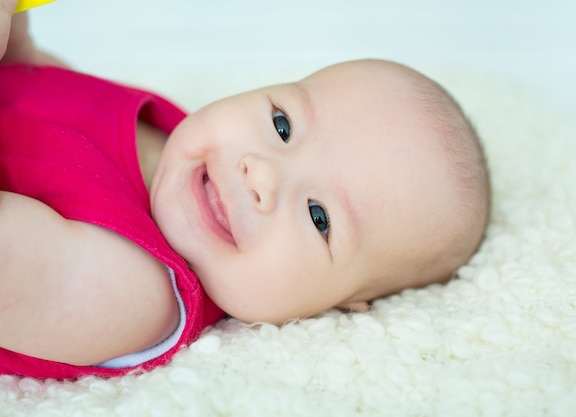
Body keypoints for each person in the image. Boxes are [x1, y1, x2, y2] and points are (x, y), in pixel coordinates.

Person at [0, 7, 490, 379]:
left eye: (319, 217)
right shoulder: (166, 128)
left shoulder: (137, 295)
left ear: (337, 303)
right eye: (282, 125)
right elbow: (37, 85)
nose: (262, 176)